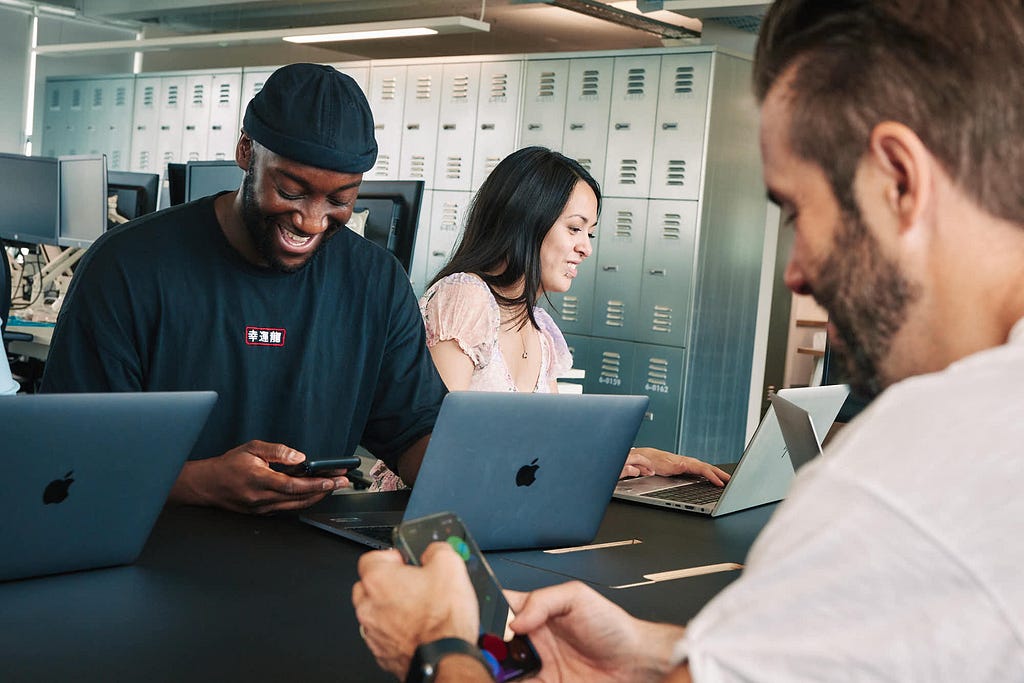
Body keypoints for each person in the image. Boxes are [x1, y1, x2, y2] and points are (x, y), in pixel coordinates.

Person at [352, 1, 1024, 680]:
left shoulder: (909, 477)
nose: (794, 272)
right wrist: (660, 656)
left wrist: (437, 645)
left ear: (899, 180)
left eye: (796, 210)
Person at [41, 63, 447, 515]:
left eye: (339, 201)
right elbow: (66, 458)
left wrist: (491, 480)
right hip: (147, 549)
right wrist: (197, 482)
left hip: (310, 560)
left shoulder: (376, 282)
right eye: (291, 190)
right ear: (246, 150)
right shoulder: (127, 266)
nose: (310, 220)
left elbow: (415, 430)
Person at [369, 146, 729, 490]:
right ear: (526, 221)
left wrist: (640, 458)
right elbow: (445, 447)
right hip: (419, 518)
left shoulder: (541, 330)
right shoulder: (464, 296)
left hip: (495, 508)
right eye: (574, 228)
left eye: (590, 232)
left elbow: (552, 448)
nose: (586, 247)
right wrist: (589, 463)